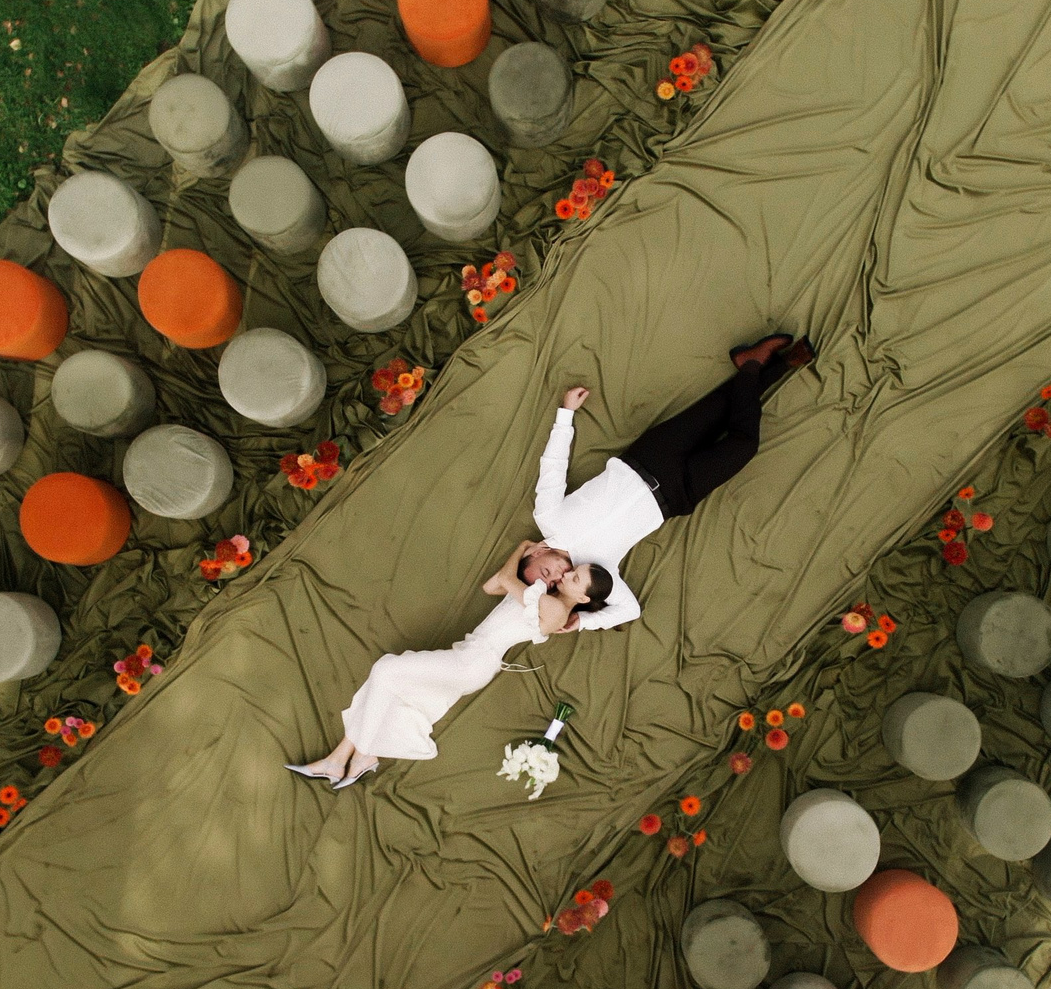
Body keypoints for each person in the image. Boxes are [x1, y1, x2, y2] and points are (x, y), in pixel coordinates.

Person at [518, 333, 814, 627]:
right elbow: (628, 610)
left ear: (535, 552)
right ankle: (751, 364)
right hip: (677, 494)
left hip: (651, 457)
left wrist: (565, 413)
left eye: (546, 573)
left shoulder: (547, 516)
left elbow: (553, 465)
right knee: (743, 446)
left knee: (720, 407)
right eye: (553, 585)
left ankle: (779, 363)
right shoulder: (596, 572)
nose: (557, 578)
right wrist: (583, 622)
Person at [288, 543, 605, 787]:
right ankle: (346, 759)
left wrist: (523, 546)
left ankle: (355, 754)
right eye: (566, 571)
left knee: (386, 669)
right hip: (467, 653)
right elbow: (493, 586)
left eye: (573, 577)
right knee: (392, 693)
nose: (564, 575)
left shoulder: (555, 613)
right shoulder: (537, 593)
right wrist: (532, 564)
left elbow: (508, 578)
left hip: (475, 663)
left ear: (582, 598)